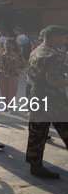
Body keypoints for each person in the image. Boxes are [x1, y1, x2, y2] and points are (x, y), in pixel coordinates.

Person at [25, 25, 68, 178]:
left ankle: (35, 166)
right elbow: (54, 81)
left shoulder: (36, 51)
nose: (65, 40)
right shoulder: (54, 55)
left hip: (37, 96)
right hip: (54, 101)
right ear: (55, 37)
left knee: (37, 132)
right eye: (64, 37)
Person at [0, 38, 26, 111]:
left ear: (13, 45)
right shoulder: (0, 51)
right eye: (4, 44)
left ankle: (11, 107)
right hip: (1, 73)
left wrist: (14, 56)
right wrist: (3, 54)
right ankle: (5, 105)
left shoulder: (18, 53)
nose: (5, 46)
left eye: (8, 44)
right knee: (2, 91)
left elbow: (20, 64)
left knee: (12, 91)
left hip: (13, 74)